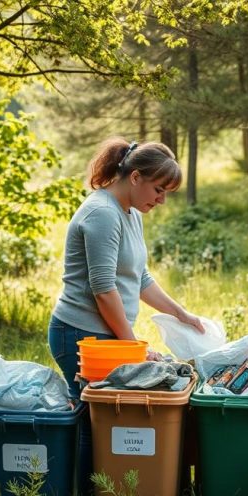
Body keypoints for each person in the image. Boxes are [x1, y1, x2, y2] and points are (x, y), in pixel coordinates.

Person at [48, 138, 204, 395]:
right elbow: (104, 289)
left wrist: (181, 314)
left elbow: (139, 278)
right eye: (158, 190)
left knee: (108, 418)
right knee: (96, 420)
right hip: (80, 335)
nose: (162, 200)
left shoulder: (131, 213)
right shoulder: (103, 214)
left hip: (104, 333)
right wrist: (135, 348)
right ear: (135, 177)